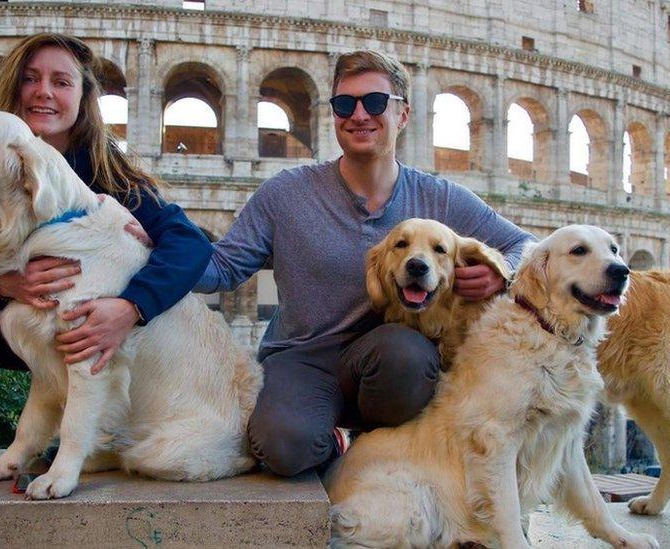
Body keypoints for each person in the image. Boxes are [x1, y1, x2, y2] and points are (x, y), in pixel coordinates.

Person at [194, 50, 534, 477]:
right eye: (344, 104)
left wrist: (499, 274)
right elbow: (222, 268)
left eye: (375, 103)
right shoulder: (285, 194)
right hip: (303, 355)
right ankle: (334, 439)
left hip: (388, 359)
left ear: (403, 114)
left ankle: (378, 446)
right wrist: (159, 243)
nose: (359, 115)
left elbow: (525, 245)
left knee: (406, 356)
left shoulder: (439, 198)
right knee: (284, 449)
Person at [0, 33, 212, 462]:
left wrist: (130, 308)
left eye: (62, 82)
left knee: (98, 341)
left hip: (82, 334)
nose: (44, 91)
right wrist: (5, 285)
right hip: (7, 324)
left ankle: (94, 433)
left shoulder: (110, 172)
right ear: (14, 87)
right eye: (31, 79)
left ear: (83, 97)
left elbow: (190, 245)